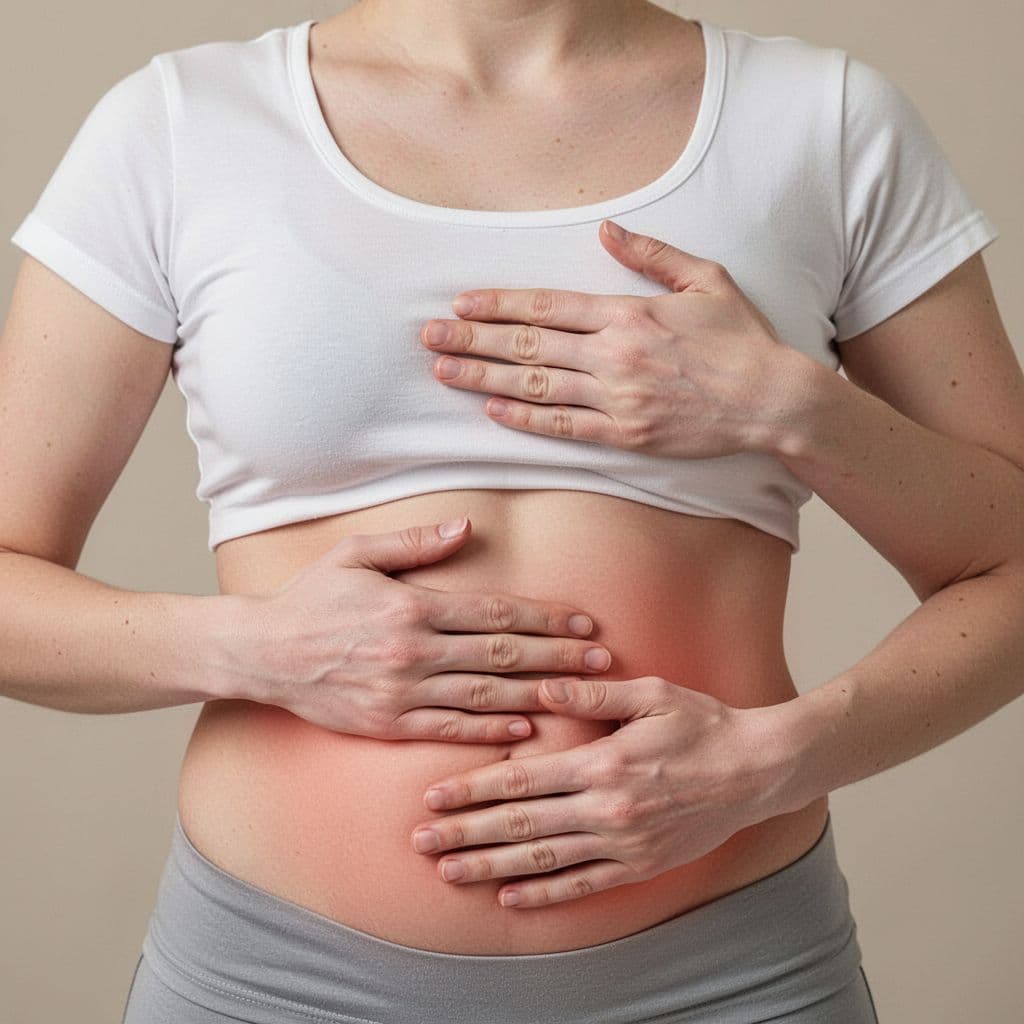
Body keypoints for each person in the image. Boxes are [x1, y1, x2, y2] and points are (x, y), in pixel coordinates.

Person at [2, 0, 1021, 1021]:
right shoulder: (181, 124)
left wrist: (793, 410)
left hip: (730, 975)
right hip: (275, 979)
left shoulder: (824, 121)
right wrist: (249, 648)